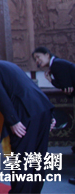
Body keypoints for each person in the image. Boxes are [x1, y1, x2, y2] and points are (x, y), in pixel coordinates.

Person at [0, 55, 54, 193]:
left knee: (21, 158)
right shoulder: (1, 65)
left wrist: (13, 120)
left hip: (24, 113)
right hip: (42, 108)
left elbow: (0, 95)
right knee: (37, 158)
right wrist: (50, 116)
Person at [32, 46, 75, 185]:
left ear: (47, 54)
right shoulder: (57, 64)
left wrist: (51, 80)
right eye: (35, 59)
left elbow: (66, 87)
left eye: (38, 57)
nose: (37, 61)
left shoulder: (56, 65)